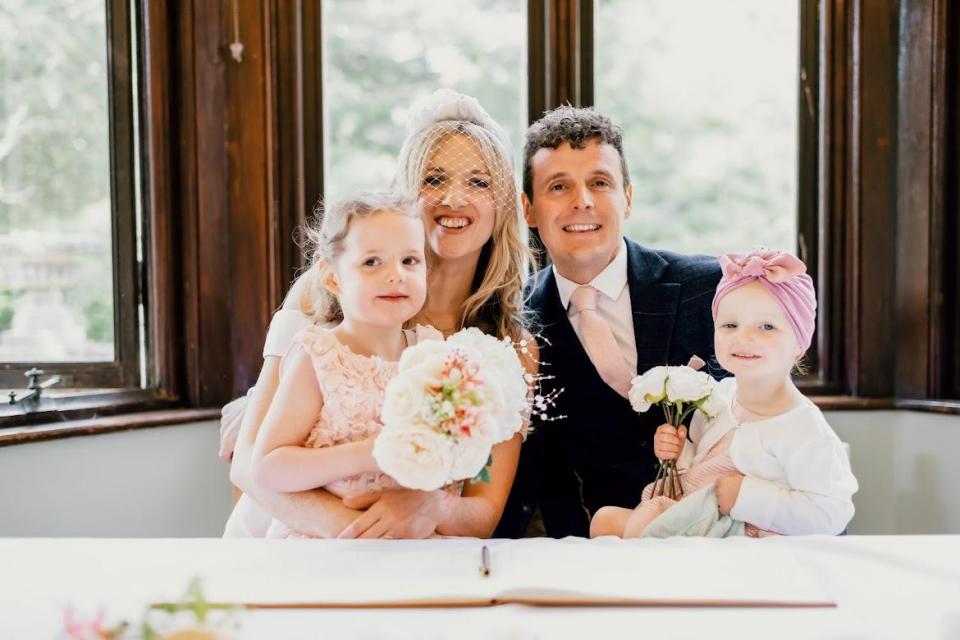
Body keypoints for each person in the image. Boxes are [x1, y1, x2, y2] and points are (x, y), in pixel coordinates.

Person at [222, 89, 536, 539]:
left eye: (479, 182)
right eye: (433, 179)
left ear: (502, 203)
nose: (453, 197)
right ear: (407, 190)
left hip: (419, 554)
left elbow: (483, 510)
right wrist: (358, 538)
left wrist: (430, 509)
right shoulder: (326, 293)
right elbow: (253, 466)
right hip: (300, 541)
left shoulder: (511, 348)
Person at [495, 106, 722, 538]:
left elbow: (767, 419)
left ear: (628, 198)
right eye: (558, 186)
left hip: (712, 545)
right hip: (580, 556)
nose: (582, 200)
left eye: (599, 182)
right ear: (528, 209)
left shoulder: (708, 290)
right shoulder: (509, 324)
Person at [590, 248, 858, 538]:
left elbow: (831, 514)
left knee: (630, 532)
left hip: (741, 536)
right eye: (729, 325)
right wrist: (676, 452)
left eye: (767, 327)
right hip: (696, 517)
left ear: (799, 342)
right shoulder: (719, 396)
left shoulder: (802, 427)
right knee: (603, 520)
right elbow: (699, 462)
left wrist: (746, 497)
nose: (743, 338)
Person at [244, 193, 445, 538]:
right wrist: (368, 454)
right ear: (333, 278)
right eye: (372, 262)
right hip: (321, 542)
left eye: (410, 260)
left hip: (409, 538)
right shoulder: (319, 357)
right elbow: (266, 468)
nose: (396, 275)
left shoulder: (432, 352)